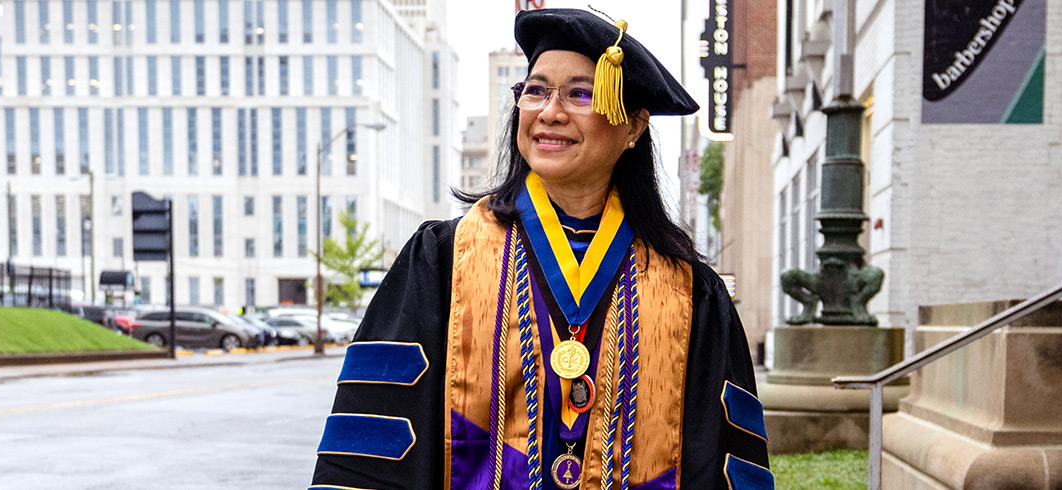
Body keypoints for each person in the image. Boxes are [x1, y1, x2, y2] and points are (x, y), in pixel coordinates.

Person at [309, 8, 770, 490]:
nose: (550, 112)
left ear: (633, 126)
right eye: (535, 91)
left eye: (580, 93)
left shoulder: (689, 291)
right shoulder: (444, 261)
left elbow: (716, 463)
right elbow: (376, 449)